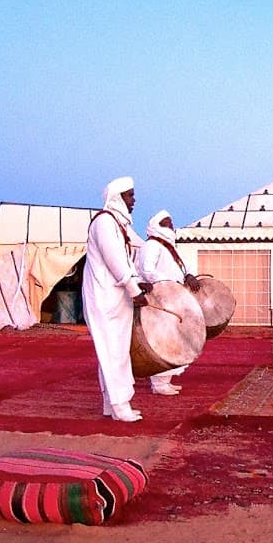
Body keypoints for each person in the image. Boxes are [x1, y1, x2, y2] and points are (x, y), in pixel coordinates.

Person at [84, 177, 151, 422]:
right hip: (104, 298)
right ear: (117, 198)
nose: (134, 200)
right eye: (130, 196)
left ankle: (111, 404)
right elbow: (115, 261)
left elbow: (135, 251)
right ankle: (120, 405)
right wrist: (135, 290)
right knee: (112, 351)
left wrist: (138, 279)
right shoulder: (104, 222)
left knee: (114, 351)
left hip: (116, 298)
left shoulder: (118, 224)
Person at [138, 210, 201, 395]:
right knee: (163, 340)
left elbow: (182, 267)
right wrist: (171, 283)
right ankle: (158, 384)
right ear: (156, 226)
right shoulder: (151, 246)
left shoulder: (169, 247)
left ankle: (165, 380)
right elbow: (147, 271)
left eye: (171, 222)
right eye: (166, 223)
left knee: (175, 340)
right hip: (161, 299)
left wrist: (188, 275)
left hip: (174, 298)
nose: (171, 226)